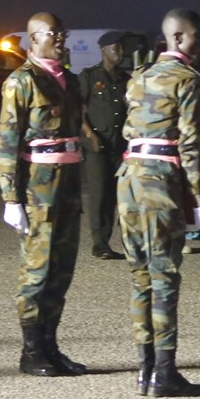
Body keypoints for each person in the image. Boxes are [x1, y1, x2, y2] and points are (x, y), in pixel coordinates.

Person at [117, 8, 200, 397]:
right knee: (164, 276)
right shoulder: (187, 79)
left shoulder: (139, 77)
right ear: (178, 37)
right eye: (197, 35)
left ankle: (145, 369)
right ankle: (164, 372)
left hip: (129, 177)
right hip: (161, 180)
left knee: (140, 276)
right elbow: (189, 143)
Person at [0, 12, 86, 377]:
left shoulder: (70, 80)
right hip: (38, 186)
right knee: (36, 270)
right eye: (53, 33)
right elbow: (8, 140)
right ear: (34, 38)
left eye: (63, 32)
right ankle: (31, 351)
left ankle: (51, 345)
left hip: (68, 182)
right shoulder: (21, 82)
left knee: (62, 269)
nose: (61, 38)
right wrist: (11, 198)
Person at [79, 31, 130, 260]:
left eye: (122, 47)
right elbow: (79, 109)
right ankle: (100, 244)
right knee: (100, 194)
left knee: (123, 195)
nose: (121, 52)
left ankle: (129, 241)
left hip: (121, 145)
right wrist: (90, 135)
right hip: (97, 145)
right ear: (103, 50)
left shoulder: (126, 79)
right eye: (116, 48)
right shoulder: (89, 77)